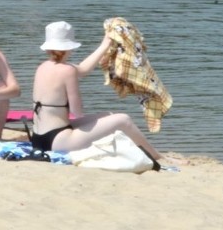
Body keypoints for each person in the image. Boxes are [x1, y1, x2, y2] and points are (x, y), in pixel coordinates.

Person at [30, 21, 163, 162]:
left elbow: (83, 69)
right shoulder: (67, 70)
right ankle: (156, 156)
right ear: (69, 48)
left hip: (38, 138)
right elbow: (77, 112)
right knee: (124, 119)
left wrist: (105, 43)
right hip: (57, 141)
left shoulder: (43, 67)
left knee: (110, 116)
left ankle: (139, 150)